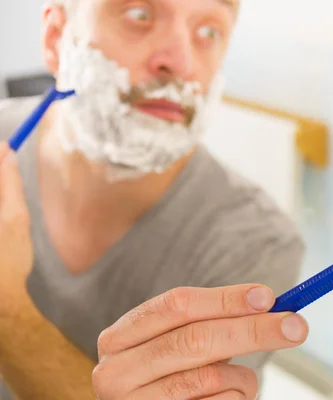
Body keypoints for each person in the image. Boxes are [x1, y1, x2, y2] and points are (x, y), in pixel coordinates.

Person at [0, 0, 306, 399]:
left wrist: (8, 311)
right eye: (139, 15)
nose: (180, 61)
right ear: (57, 38)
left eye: (209, 32)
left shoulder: (255, 244)